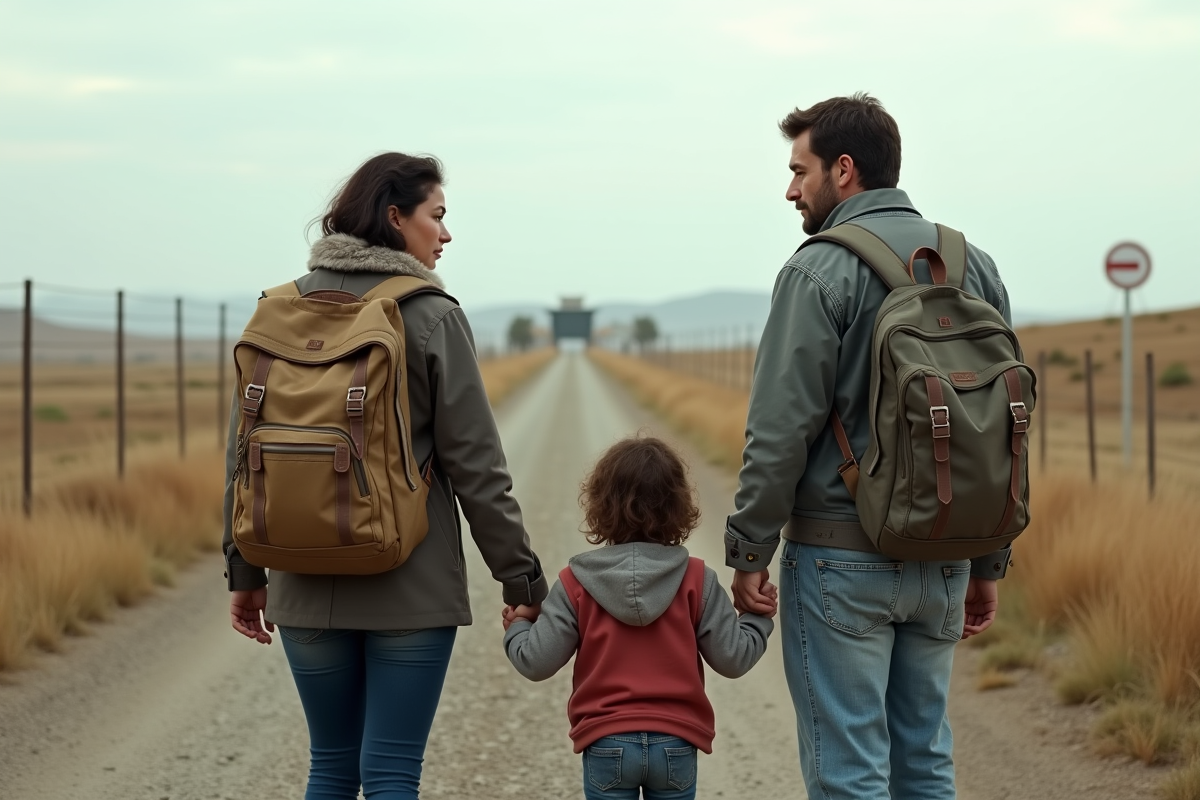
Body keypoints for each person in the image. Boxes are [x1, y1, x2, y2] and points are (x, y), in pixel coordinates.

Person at [222, 152, 548, 800]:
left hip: (301, 574)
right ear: (396, 218)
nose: (446, 234)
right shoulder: (429, 314)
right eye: (438, 216)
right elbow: (478, 467)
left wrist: (245, 571)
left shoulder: (279, 309)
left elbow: (242, 453)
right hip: (410, 581)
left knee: (331, 767)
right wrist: (520, 578)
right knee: (393, 770)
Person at [724, 94, 1013, 799]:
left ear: (843, 170)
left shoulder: (816, 270)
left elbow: (779, 432)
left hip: (839, 557)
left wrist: (749, 552)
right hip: (947, 553)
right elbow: (1002, 426)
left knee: (848, 772)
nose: (790, 188)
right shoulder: (972, 265)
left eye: (800, 170)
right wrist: (988, 559)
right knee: (925, 763)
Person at [503, 436, 775, 800]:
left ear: (600, 505)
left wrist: (519, 625)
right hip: (676, 742)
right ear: (679, 506)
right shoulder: (697, 580)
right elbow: (734, 658)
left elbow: (535, 662)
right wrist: (756, 617)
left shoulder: (575, 583)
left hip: (606, 742)